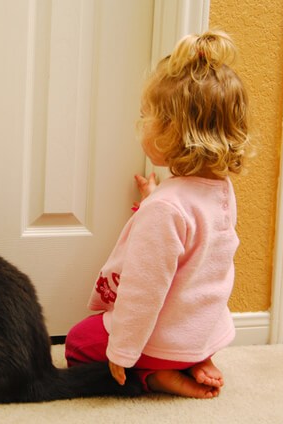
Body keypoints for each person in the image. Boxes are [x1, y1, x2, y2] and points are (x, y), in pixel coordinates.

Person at [65, 30, 250, 399]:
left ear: (174, 133)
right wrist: (153, 199)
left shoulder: (166, 209)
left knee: (78, 343)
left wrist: (123, 351)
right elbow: (195, 239)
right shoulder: (219, 189)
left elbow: (143, 292)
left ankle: (154, 374)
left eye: (146, 117)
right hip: (201, 330)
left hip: (162, 337)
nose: (142, 125)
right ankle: (195, 360)